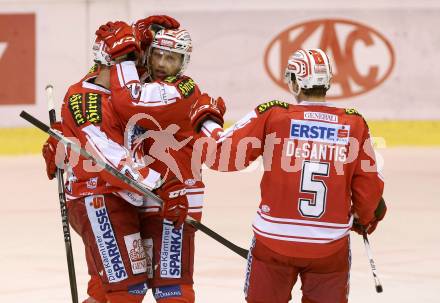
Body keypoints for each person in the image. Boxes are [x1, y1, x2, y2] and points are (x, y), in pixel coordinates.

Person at [189, 48, 387, 303]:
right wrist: (366, 217)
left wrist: (207, 120)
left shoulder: (273, 115)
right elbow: (369, 191)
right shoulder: (354, 123)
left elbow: (221, 155)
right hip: (330, 246)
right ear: (327, 81)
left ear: (295, 81)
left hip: (273, 244)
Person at [42, 17, 189, 303]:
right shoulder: (87, 100)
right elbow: (110, 158)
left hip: (118, 199)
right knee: (128, 289)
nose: (139, 67)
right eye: (128, 61)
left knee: (103, 289)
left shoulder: (117, 83)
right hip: (98, 199)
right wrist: (162, 184)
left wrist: (143, 34)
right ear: (109, 63)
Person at [95, 22, 215, 302]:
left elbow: (129, 101)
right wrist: (137, 32)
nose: (162, 63)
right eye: (157, 54)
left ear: (183, 63)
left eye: (171, 58)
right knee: (131, 285)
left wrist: (125, 54)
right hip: (144, 192)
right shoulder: (147, 79)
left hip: (176, 195)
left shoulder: (181, 90)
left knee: (170, 285)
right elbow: (102, 79)